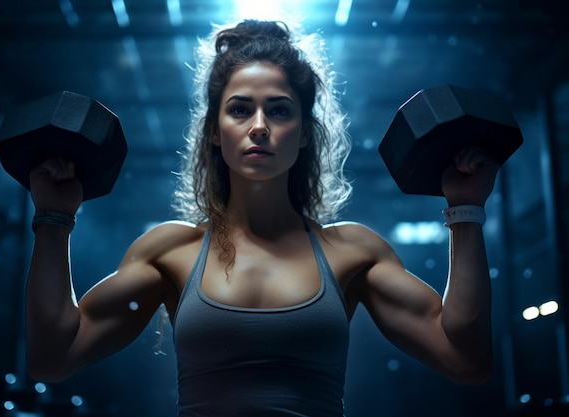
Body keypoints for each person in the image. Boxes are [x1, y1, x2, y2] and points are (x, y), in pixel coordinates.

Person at [25, 20, 497, 417]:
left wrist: (465, 211)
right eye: (239, 109)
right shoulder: (169, 252)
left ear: (306, 134)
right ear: (214, 131)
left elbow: (465, 360)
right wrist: (54, 217)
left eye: (279, 110)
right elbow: (53, 357)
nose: (259, 126)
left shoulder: (355, 252)